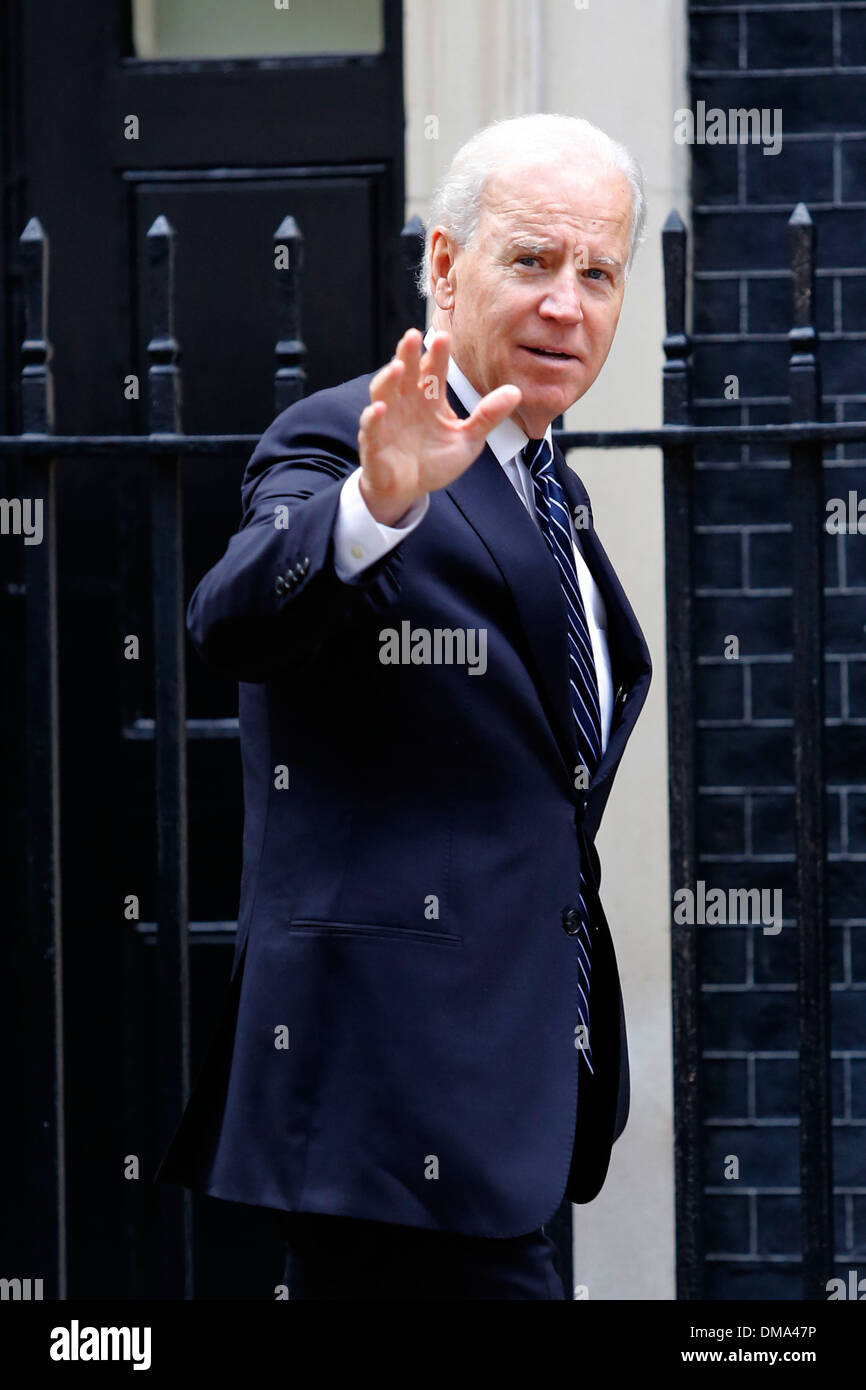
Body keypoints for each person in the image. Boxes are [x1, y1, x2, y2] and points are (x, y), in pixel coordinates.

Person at [155, 112, 652, 1301]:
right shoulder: (342, 438)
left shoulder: (549, 491)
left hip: (511, 1103)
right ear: (443, 262)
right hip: (388, 1115)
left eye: (598, 273)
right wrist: (372, 509)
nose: (566, 305)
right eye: (531, 260)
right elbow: (234, 618)